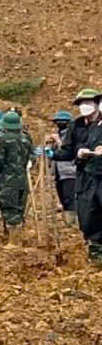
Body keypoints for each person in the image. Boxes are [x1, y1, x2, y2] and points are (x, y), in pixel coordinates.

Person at [56, 88, 102, 263]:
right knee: (88, 214)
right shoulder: (76, 126)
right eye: (82, 104)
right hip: (85, 176)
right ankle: (96, 254)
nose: (85, 107)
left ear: (97, 104)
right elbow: (67, 150)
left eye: (89, 103)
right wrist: (55, 154)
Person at [0, 111, 34, 241]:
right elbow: (32, 155)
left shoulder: (4, 140)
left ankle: (13, 242)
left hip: (8, 181)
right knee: (19, 211)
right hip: (22, 181)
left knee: (9, 211)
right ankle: (14, 238)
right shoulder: (26, 138)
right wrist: (30, 162)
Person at [50, 111, 78, 215]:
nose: (59, 123)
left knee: (69, 199)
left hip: (69, 172)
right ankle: (67, 220)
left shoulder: (73, 135)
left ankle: (72, 221)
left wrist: (58, 141)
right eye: (58, 121)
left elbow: (68, 151)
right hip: (59, 172)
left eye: (62, 122)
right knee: (62, 197)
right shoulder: (59, 134)